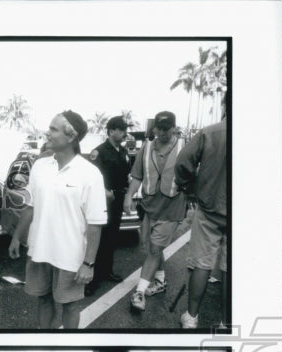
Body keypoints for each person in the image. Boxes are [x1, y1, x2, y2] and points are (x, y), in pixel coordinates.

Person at [9, 110, 107, 329]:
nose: (48, 133)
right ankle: (44, 342)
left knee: (70, 306)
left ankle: (69, 348)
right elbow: (30, 206)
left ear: (70, 136)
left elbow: (95, 223)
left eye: (53, 129)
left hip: (70, 255)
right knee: (43, 299)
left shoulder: (90, 173)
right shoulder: (40, 166)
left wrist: (88, 264)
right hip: (39, 250)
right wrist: (16, 237)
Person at [126, 111, 188, 313]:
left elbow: (194, 174)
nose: (162, 132)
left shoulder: (184, 146)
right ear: (154, 128)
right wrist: (129, 196)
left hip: (172, 207)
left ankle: (139, 292)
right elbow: (137, 176)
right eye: (159, 128)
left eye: (166, 128)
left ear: (174, 128)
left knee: (153, 250)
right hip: (149, 206)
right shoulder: (146, 147)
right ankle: (160, 281)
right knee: (151, 246)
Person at [175, 113, 227, 329]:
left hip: (209, 208)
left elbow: (183, 163)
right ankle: (227, 321)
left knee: (202, 265)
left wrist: (190, 187)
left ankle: (192, 316)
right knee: (228, 269)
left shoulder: (210, 132)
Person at [86, 116, 132, 294]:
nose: (124, 133)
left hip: (118, 200)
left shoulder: (123, 152)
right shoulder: (98, 152)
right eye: (121, 129)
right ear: (111, 131)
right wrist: (106, 192)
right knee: (99, 237)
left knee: (112, 236)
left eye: (124, 130)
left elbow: (127, 173)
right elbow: (92, 178)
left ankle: (107, 270)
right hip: (103, 201)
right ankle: (93, 278)